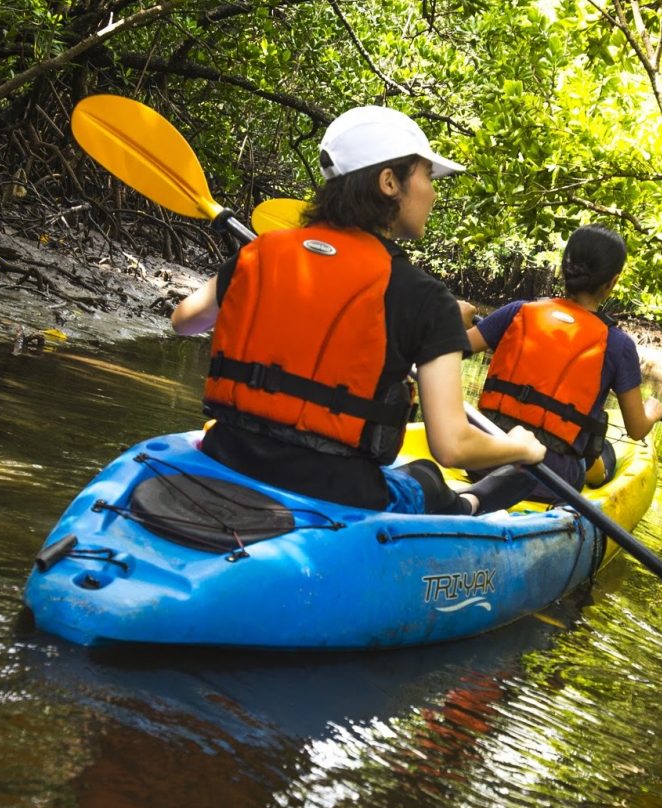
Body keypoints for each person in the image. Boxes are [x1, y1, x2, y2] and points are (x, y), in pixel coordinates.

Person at [170, 105, 544, 513]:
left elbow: (185, 321)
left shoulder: (261, 254)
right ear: (389, 183)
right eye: (426, 175)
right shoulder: (424, 296)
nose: (433, 192)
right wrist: (517, 446)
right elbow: (452, 445)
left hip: (227, 455)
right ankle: (471, 506)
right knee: (426, 477)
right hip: (337, 491)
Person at [460, 224, 662, 514]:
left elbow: (452, 349)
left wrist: (460, 319)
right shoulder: (618, 345)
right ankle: (594, 466)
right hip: (549, 480)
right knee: (604, 451)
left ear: (563, 267)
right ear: (612, 281)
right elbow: (635, 429)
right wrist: (653, 412)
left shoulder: (517, 311)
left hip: (480, 458)